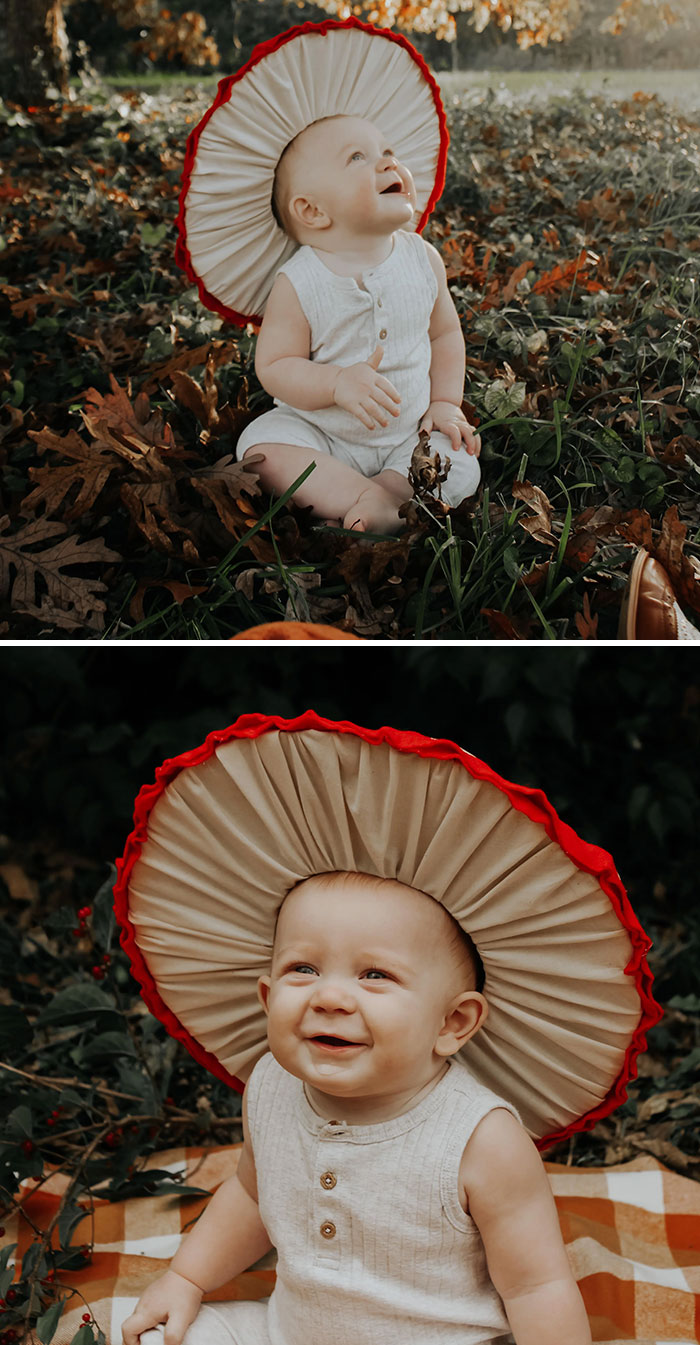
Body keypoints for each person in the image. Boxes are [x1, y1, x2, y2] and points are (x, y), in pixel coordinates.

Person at [114, 712, 660, 1345]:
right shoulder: (271, 1086)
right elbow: (251, 1195)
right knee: (159, 1337)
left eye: (375, 975)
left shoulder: (480, 1140)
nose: (330, 997)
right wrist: (186, 1278)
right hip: (287, 1333)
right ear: (266, 997)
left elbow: (536, 1287)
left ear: (453, 1023)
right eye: (302, 969)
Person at [175, 20, 482, 534]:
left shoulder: (422, 259)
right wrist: (336, 383)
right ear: (312, 211)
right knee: (260, 448)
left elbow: (444, 335)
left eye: (387, 151)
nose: (388, 163)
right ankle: (359, 494)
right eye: (358, 157)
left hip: (410, 433)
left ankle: (388, 494)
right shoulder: (300, 282)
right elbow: (276, 366)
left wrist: (446, 403)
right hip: (320, 432)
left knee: (461, 458)